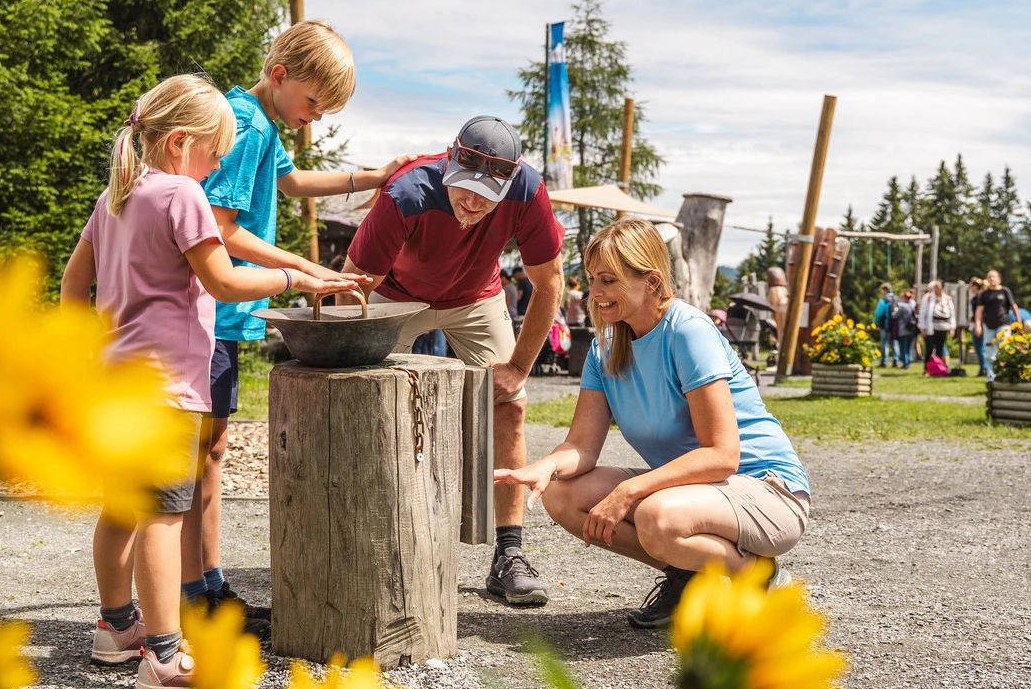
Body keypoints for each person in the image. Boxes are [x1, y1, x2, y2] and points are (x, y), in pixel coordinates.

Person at [60, 75, 355, 689]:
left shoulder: (115, 196)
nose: (221, 164)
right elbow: (222, 282)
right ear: (178, 144)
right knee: (164, 515)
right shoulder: (182, 196)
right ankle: (165, 655)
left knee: (122, 506)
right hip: (166, 388)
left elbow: (71, 282)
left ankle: (116, 628)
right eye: (216, 153)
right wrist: (292, 280)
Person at [194, 21, 414, 626]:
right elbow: (220, 228)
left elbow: (290, 183)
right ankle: (197, 595)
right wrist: (304, 270)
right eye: (314, 103)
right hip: (209, 314)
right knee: (195, 457)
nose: (314, 118)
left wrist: (372, 177)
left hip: (225, 316)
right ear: (281, 74)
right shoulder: (245, 126)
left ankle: (208, 587)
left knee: (209, 452)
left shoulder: (263, 122)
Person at [493, 218, 810, 628]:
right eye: (592, 279)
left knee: (657, 517)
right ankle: (688, 575)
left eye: (608, 279)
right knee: (563, 496)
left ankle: (762, 577)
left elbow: (722, 455)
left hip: (768, 490)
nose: (596, 292)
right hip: (693, 489)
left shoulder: (688, 332)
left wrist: (629, 490)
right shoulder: (604, 348)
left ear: (652, 281)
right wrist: (546, 466)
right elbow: (583, 447)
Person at [344, 115, 565, 606]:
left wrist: (519, 369)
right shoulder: (406, 193)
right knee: (358, 393)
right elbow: (353, 285)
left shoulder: (528, 191)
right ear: (449, 159)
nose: (471, 202)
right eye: (464, 188)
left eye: (486, 195)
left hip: (476, 297)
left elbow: (549, 283)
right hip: (394, 295)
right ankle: (364, 535)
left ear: (509, 183)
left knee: (511, 404)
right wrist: (346, 358)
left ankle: (508, 554)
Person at [974, 270, 1021, 382]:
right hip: (988, 326)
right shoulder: (984, 294)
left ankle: (1005, 375)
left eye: (994, 277)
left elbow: (1014, 306)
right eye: (989, 277)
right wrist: (978, 325)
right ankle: (991, 377)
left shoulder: (1005, 291)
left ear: (999, 279)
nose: (991, 279)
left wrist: (1018, 322)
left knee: (1004, 349)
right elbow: (979, 311)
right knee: (989, 352)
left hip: (1003, 324)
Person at [918, 280, 954, 366]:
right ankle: (927, 368)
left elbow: (952, 313)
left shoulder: (947, 298)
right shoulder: (928, 297)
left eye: (938, 286)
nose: (936, 288)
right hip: (931, 327)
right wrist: (922, 327)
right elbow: (922, 312)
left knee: (940, 349)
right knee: (929, 348)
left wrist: (952, 327)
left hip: (943, 327)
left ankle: (938, 367)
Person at [872, 283, 898, 368]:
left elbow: (878, 313)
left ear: (885, 290)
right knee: (894, 342)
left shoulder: (883, 300)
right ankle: (896, 360)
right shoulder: (896, 299)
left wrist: (876, 322)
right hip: (894, 325)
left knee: (884, 343)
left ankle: (884, 361)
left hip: (884, 325)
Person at [969, 277, 989, 375]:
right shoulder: (976, 298)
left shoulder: (979, 298)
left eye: (972, 286)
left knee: (980, 347)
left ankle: (984, 368)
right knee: (980, 348)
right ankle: (983, 367)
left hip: (980, 325)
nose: (970, 288)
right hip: (979, 324)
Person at [894, 288, 918, 370]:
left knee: (903, 347)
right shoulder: (912, 305)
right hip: (911, 329)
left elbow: (894, 315)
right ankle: (908, 362)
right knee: (908, 347)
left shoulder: (901, 306)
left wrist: (894, 310)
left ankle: (905, 363)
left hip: (903, 329)